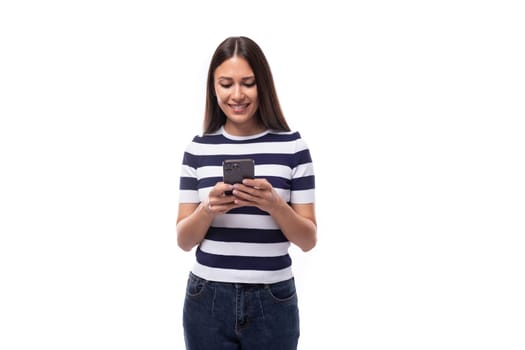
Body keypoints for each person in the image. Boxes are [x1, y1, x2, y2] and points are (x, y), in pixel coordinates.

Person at [176, 36, 317, 350]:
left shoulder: (293, 148)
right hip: (206, 298)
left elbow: (308, 240)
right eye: (226, 83)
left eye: (248, 83)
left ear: (262, 85)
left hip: (273, 300)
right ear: (214, 88)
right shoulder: (197, 150)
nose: (237, 94)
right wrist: (207, 210)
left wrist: (275, 205)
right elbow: (184, 240)